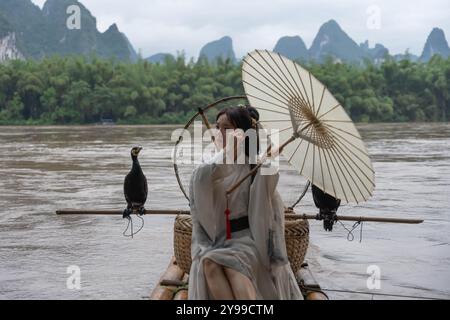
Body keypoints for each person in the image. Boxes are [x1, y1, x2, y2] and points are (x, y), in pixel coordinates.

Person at [187, 105, 303, 300]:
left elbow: (265, 196)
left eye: (227, 128)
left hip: (244, 239)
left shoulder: (254, 163)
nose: (220, 132)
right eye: (218, 127)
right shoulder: (209, 160)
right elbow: (201, 179)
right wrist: (228, 151)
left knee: (234, 268)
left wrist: (269, 162)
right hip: (215, 238)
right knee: (209, 263)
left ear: (242, 132)